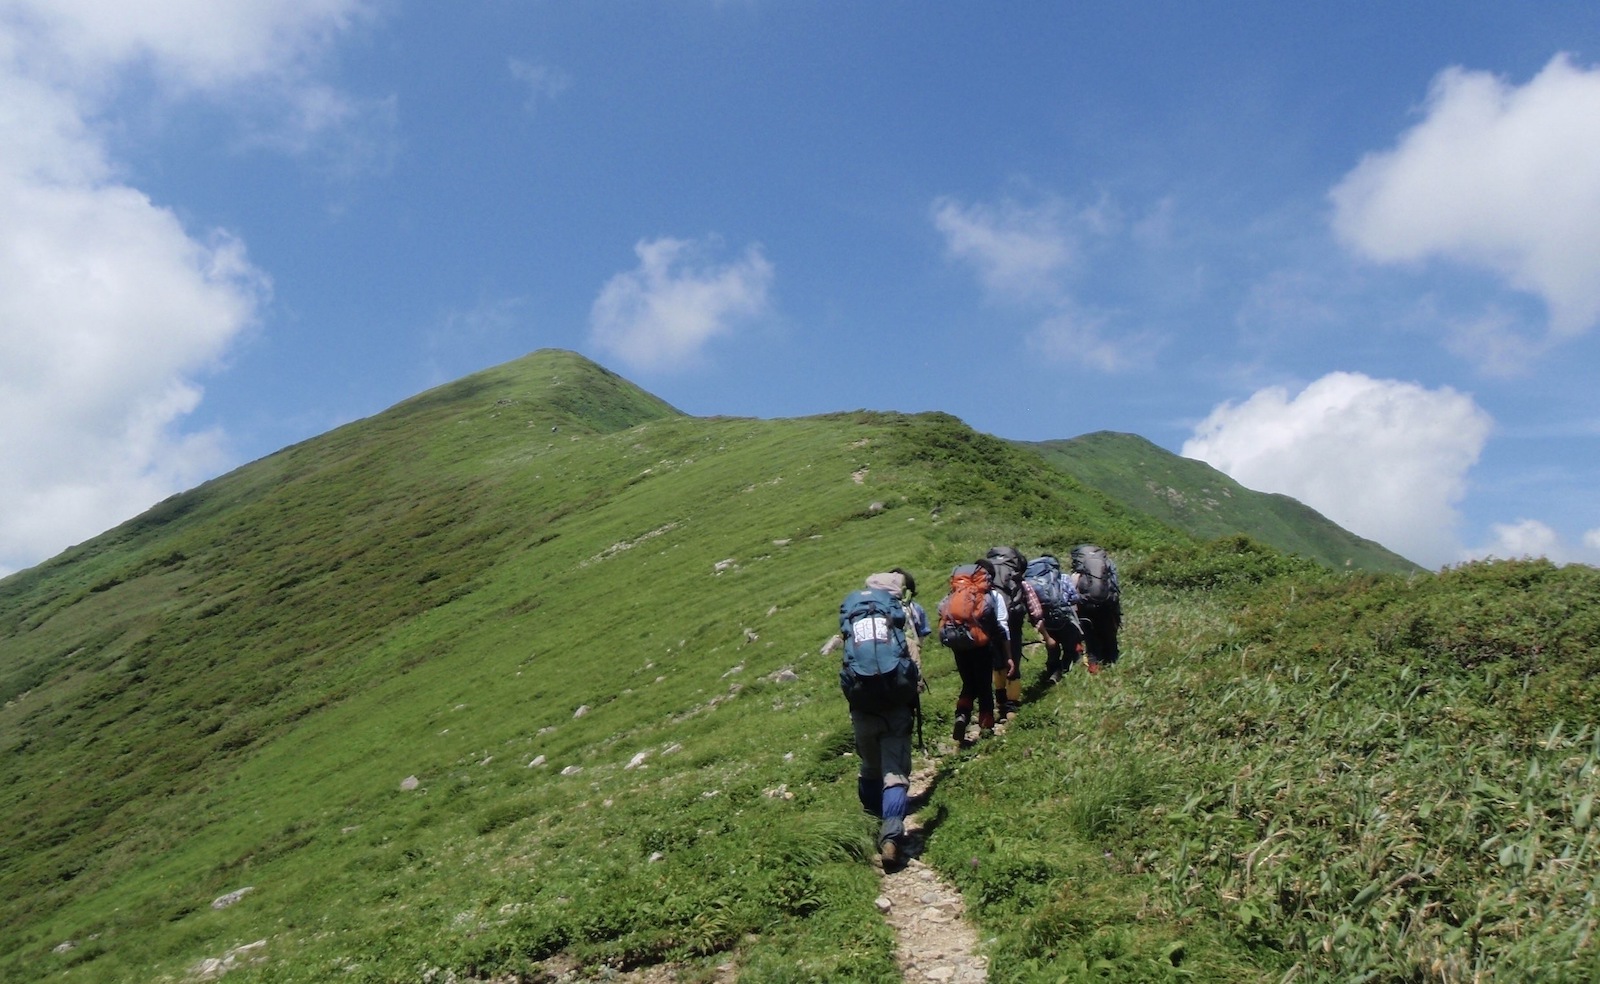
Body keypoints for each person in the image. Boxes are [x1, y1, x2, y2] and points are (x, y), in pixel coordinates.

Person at [841, 570, 925, 868]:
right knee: (895, 775)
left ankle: (871, 823)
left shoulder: (856, 619)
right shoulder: (900, 617)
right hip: (895, 707)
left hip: (863, 707)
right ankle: (890, 834)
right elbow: (913, 667)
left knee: (869, 768)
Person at [936, 560, 1011, 747]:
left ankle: (962, 714)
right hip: (981, 645)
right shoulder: (990, 595)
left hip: (959, 645)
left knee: (968, 682)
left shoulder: (954, 594)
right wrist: (1007, 653)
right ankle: (986, 725)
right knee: (984, 684)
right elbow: (999, 624)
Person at [985, 547, 1031, 720]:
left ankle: (1000, 700)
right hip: (1013, 620)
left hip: (990, 620)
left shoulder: (988, 572)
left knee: (997, 661)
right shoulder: (1016, 571)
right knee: (1014, 658)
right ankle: (1012, 704)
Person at [1069, 544, 1122, 673]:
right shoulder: (1108, 568)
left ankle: (1094, 666)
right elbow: (1114, 587)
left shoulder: (1077, 575)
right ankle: (1113, 664)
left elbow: (1071, 595)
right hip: (1106, 605)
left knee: (1091, 638)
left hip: (1085, 607)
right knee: (1109, 635)